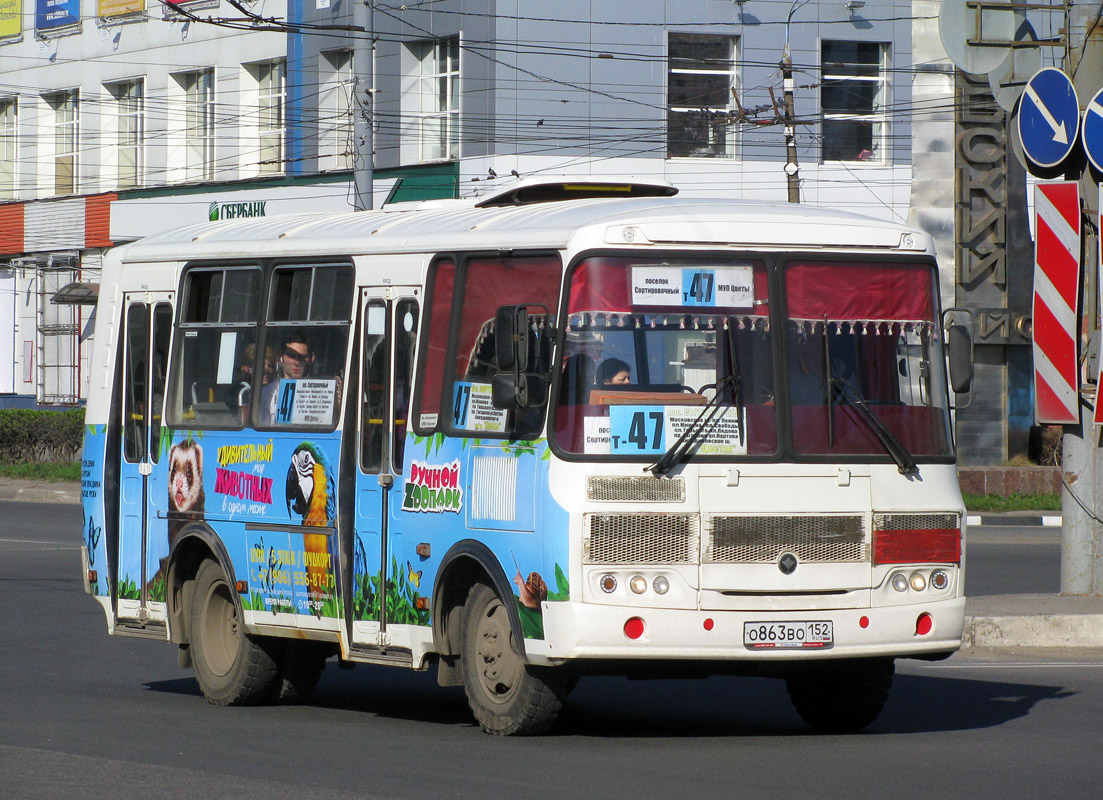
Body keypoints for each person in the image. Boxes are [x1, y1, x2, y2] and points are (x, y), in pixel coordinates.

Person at [259, 332, 315, 424]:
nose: (297, 362)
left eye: (302, 357)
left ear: (311, 358)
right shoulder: (267, 393)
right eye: (292, 356)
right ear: (281, 358)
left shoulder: (319, 393)